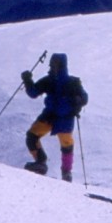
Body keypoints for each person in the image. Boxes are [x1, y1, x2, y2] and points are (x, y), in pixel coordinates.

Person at [22, 53, 88, 181]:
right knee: (65, 145)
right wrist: (78, 100)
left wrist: (27, 79)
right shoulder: (72, 82)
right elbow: (84, 98)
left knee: (33, 137)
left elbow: (33, 92)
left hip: (51, 116)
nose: (53, 66)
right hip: (63, 117)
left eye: (54, 64)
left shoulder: (50, 80)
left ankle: (42, 163)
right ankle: (65, 173)